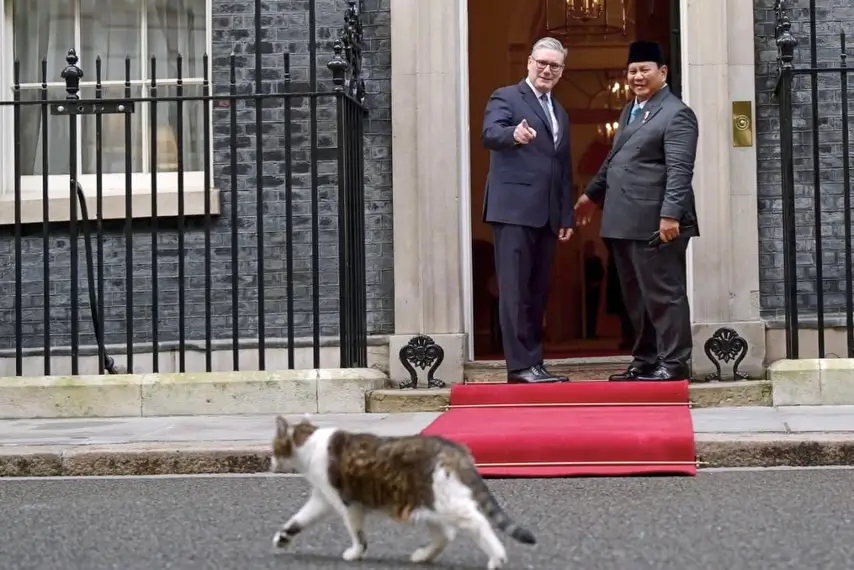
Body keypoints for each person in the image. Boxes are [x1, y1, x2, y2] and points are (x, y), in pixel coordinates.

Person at [575, 40, 699, 381]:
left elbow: (680, 169)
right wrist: (591, 196)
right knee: (635, 298)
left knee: (663, 294)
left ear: (662, 72)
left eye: (645, 70)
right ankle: (645, 360)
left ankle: (673, 363)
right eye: (632, 71)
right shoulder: (630, 109)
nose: (637, 76)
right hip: (622, 220)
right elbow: (614, 161)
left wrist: (671, 214)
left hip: (656, 223)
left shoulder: (677, 113)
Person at [481, 36, 576, 384]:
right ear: (529, 63)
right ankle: (519, 367)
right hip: (513, 211)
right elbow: (490, 133)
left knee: (537, 292)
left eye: (554, 65)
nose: (547, 69)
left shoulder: (559, 111)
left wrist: (566, 214)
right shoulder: (506, 96)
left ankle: (534, 363)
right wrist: (513, 135)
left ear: (562, 71)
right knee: (515, 290)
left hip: (548, 215)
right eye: (542, 63)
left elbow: (563, 168)